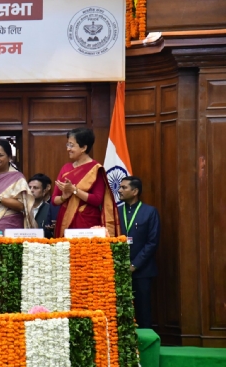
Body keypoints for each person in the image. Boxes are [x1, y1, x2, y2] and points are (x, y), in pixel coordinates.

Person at [52, 127, 120, 237]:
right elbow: (54, 200)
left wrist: (74, 190)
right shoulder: (66, 168)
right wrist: (64, 197)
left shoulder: (95, 168)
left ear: (83, 147)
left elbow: (97, 200)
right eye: (67, 145)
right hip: (65, 219)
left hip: (86, 222)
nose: (68, 149)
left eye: (71, 145)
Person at [118, 176, 160, 328]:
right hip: (119, 270)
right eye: (120, 187)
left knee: (143, 311)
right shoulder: (116, 212)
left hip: (142, 271)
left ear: (135, 191)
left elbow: (152, 243)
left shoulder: (149, 212)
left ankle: (146, 348)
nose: (120, 190)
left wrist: (134, 265)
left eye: (124, 188)